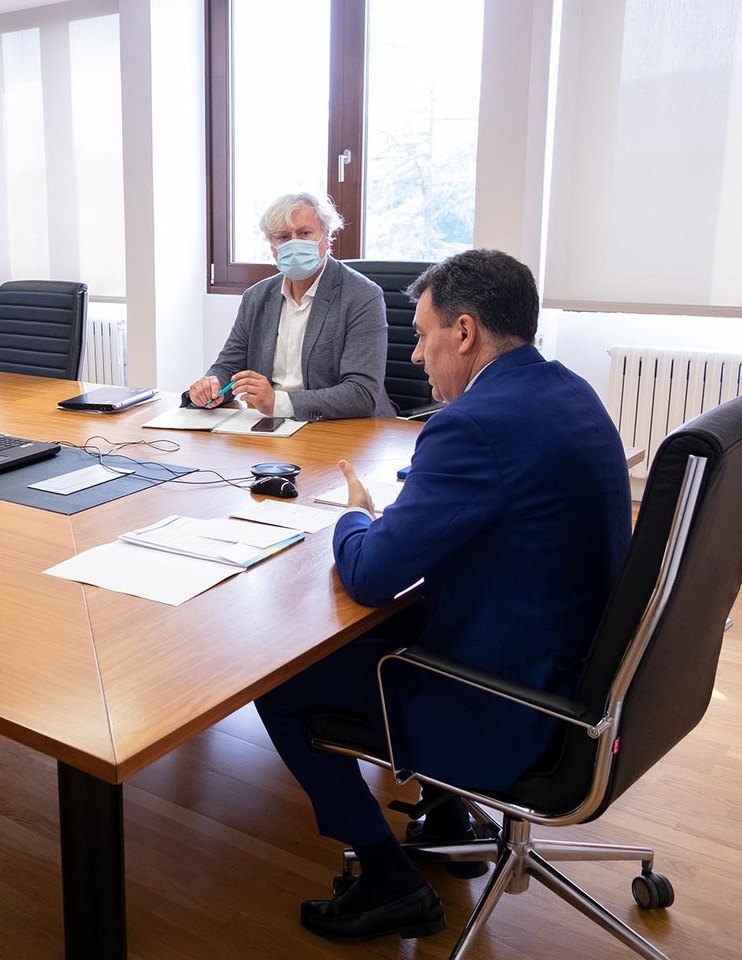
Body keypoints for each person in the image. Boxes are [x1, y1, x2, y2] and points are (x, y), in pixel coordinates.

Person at [253, 249, 631, 943]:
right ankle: (453, 812)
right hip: (580, 675)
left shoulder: (473, 426)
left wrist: (355, 515)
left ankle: (389, 883)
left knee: (278, 679)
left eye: (425, 337)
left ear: (465, 332)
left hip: (515, 704)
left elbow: (369, 575)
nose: (419, 356)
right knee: (379, 633)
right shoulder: (568, 391)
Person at [188, 192, 391, 420]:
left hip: (341, 428)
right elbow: (228, 366)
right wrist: (213, 384)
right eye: (283, 237)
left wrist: (278, 403)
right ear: (272, 247)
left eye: (304, 233)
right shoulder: (256, 297)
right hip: (269, 425)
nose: (294, 243)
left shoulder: (362, 295)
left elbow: (361, 393)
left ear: (327, 237)